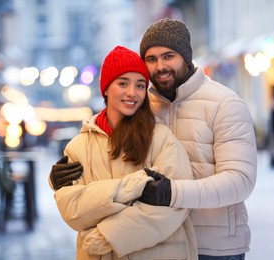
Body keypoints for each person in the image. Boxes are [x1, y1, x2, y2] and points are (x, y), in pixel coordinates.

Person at [50, 18, 257, 260]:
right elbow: (107, 153)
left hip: (214, 247)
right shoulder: (143, 104)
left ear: (186, 57)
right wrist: (62, 180)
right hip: (159, 244)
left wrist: (172, 192)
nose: (160, 66)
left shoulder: (224, 104)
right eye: (151, 59)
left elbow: (240, 180)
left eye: (168, 56)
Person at [49, 45, 197, 259]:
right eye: (123, 83)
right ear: (106, 88)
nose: (132, 93)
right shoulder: (78, 146)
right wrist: (133, 186)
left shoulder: (160, 138)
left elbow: (174, 205)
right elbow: (73, 210)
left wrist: (108, 235)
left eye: (139, 85)